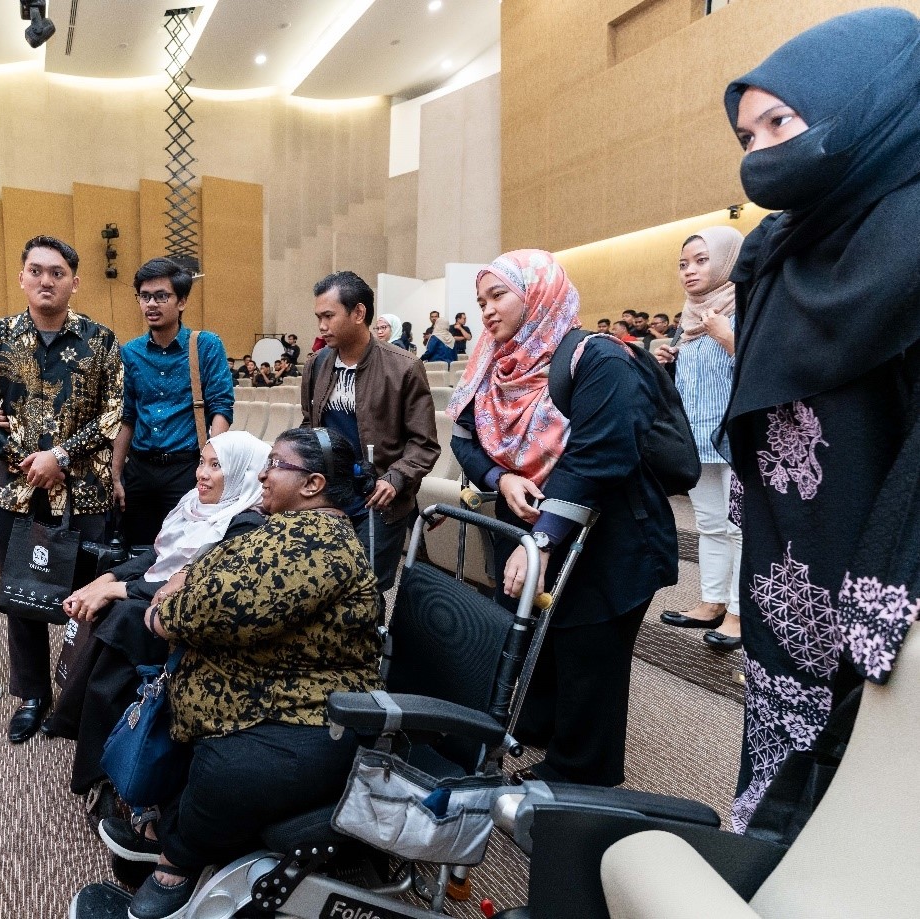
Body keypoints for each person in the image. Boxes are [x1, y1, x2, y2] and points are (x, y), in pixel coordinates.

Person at [721, 8, 920, 832]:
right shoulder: (776, 247)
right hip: (785, 563)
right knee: (780, 797)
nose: (759, 152)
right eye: (746, 136)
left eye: (779, 123)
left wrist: (883, 591)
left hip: (886, 577)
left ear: (868, 102)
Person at [95, 428, 381, 919]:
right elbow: (205, 573)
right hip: (274, 681)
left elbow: (214, 608)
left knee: (225, 768)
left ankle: (177, 860)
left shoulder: (318, 547)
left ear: (313, 484)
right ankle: (169, 828)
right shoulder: (287, 529)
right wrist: (181, 585)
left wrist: (164, 611)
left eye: (276, 465)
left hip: (315, 716)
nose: (263, 475)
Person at [448, 249, 677, 787]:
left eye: (499, 295)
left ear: (539, 294)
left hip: (608, 533)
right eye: (481, 301)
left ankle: (580, 771)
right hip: (525, 519)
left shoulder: (599, 357)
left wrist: (543, 540)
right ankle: (541, 726)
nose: (487, 310)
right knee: (539, 637)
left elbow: (600, 455)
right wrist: (500, 477)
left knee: (587, 649)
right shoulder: (492, 361)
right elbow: (463, 439)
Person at [0, 235, 124, 744]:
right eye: (36, 270)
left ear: (75, 282)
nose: (46, 280)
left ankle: (80, 689)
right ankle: (33, 694)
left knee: (90, 595)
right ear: (21, 277)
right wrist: (29, 461)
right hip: (14, 493)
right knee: (20, 593)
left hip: (85, 493)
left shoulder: (101, 339)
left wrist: (61, 456)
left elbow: (114, 413)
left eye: (57, 272)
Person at [59, 431, 270, 816]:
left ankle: (94, 755)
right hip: (163, 608)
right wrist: (105, 581)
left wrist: (116, 590)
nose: (201, 474)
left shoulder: (245, 525)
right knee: (115, 613)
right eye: (202, 462)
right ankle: (94, 747)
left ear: (243, 472)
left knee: (122, 619)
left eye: (216, 466)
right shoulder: (198, 505)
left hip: (194, 627)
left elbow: (192, 585)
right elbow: (158, 559)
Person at [303, 271, 439, 590]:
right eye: (318, 317)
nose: (321, 326)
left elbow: (424, 443)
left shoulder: (403, 367)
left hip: (379, 499)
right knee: (325, 586)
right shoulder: (317, 364)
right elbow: (310, 425)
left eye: (329, 316)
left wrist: (395, 478)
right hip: (329, 495)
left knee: (367, 589)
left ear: (358, 313)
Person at [656, 228, 745, 651]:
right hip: (696, 438)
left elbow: (768, 368)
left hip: (735, 437)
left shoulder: (746, 308)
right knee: (709, 524)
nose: (689, 271)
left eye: (701, 260)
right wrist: (667, 364)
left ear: (727, 261)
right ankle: (711, 602)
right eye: (683, 264)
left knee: (740, 528)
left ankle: (739, 613)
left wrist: (728, 338)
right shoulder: (689, 320)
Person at [112, 257, 234, 548]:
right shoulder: (131, 352)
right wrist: (116, 474)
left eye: (161, 296)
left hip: (186, 466)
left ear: (181, 301)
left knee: (183, 550)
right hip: (140, 469)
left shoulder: (205, 345)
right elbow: (127, 417)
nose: (151, 304)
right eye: (144, 297)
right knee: (138, 548)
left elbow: (221, 407)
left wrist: (209, 467)